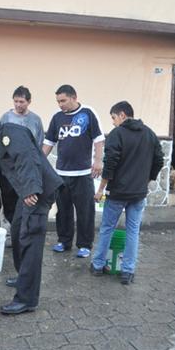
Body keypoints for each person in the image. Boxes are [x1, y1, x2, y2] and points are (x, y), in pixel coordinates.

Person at [0, 109, 62, 315]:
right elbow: (0, 176)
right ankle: (23, 278)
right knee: (19, 233)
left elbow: (27, 158)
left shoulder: (9, 132)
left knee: (29, 238)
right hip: (27, 192)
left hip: (38, 190)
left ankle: (27, 299)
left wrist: (30, 189)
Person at [91, 101, 163, 285]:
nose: (113, 123)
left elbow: (110, 164)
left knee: (107, 228)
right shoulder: (149, 134)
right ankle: (127, 272)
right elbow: (159, 160)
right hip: (138, 193)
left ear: (122, 115)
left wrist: (100, 190)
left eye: (113, 118)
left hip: (118, 193)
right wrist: (146, 181)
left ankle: (98, 265)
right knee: (133, 231)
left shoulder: (117, 134)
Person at [43, 84, 104, 258]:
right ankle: (64, 241)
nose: (60, 104)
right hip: (62, 173)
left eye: (63, 100)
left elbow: (99, 139)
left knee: (85, 211)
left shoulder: (88, 113)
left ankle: (84, 245)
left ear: (74, 97)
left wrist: (98, 161)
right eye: (58, 101)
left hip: (83, 173)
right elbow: (49, 143)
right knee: (63, 210)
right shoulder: (57, 118)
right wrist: (38, 162)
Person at [0, 86, 45, 241]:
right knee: (8, 201)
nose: (18, 105)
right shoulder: (6, 118)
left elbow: (39, 143)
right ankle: (7, 235)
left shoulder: (35, 120)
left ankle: (23, 234)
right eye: (15, 101)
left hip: (28, 169)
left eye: (21, 101)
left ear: (29, 102)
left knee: (26, 202)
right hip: (10, 169)